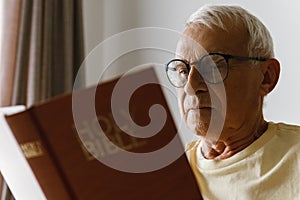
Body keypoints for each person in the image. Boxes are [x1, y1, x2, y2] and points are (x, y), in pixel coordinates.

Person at [165, 4, 300, 200]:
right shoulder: (163, 177)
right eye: (183, 71)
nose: (190, 87)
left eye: (212, 66)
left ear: (266, 78)